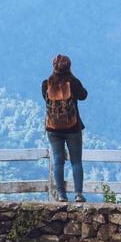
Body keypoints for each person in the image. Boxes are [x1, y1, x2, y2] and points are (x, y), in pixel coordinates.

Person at [42, 54, 88, 202]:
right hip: (72, 128)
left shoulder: (46, 84)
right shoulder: (73, 82)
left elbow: (45, 99)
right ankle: (78, 194)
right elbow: (83, 95)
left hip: (53, 129)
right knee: (76, 161)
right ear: (68, 67)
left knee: (58, 161)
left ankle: (61, 195)